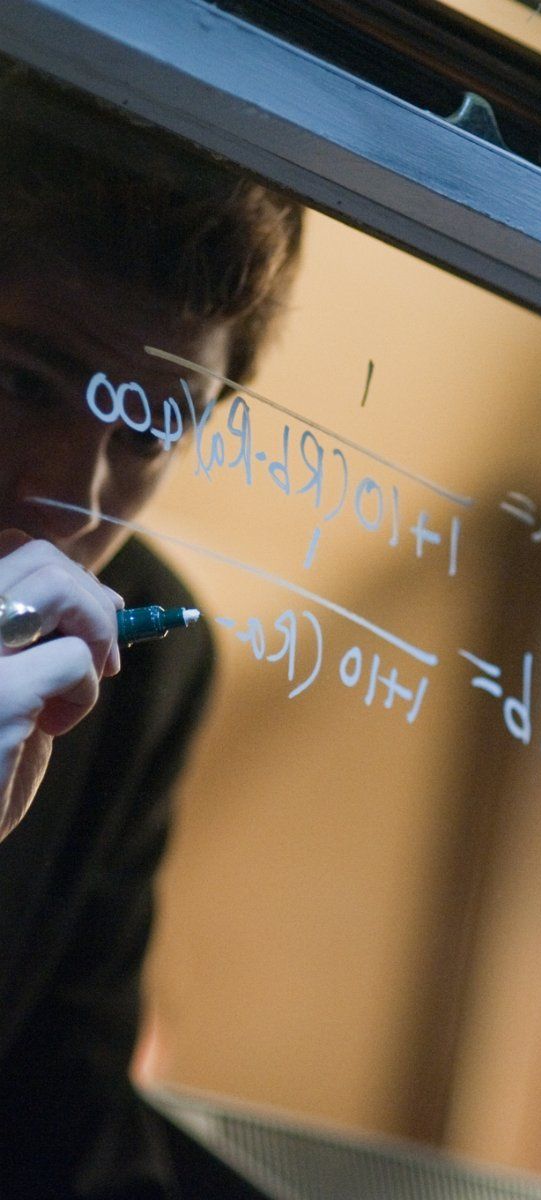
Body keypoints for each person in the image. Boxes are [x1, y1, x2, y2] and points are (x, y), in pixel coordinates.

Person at [0, 64, 302, 1198]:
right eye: (23, 383)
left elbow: (59, 1128)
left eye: (145, 431)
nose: (72, 502)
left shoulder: (142, 668)